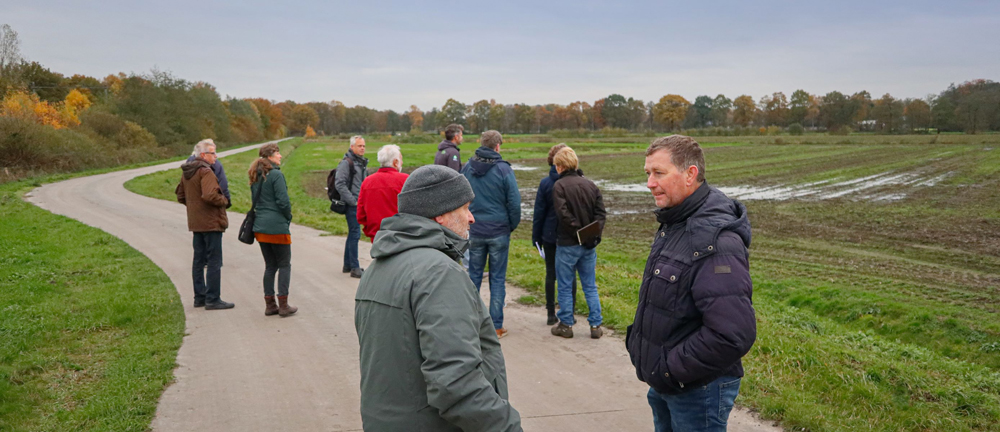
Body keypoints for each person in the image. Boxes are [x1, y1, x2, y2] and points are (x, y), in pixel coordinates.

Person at [355, 164, 522, 431]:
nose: (472, 218)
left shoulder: (377, 268)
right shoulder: (439, 274)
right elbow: (456, 384)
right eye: (465, 208)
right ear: (441, 214)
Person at [627, 135, 756, 432]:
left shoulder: (714, 239)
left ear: (690, 174)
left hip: (697, 390)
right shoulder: (676, 222)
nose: (649, 183)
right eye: (647, 173)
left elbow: (733, 333)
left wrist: (672, 369)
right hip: (666, 384)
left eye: (659, 173)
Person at [461, 130, 520, 339]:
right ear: (497, 146)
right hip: (498, 231)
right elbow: (514, 202)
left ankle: (471, 322)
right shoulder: (504, 170)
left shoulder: (467, 168)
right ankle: (496, 325)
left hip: (475, 229)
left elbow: (460, 198)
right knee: (497, 278)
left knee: (473, 276)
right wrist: (510, 226)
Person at [549, 147, 606, 339]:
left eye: (556, 165)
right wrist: (592, 234)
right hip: (588, 244)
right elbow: (600, 214)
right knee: (590, 285)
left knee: (565, 285)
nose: (555, 168)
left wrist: (577, 232)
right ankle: (596, 325)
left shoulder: (559, 186)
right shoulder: (590, 185)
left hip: (567, 243)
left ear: (561, 166)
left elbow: (563, 215)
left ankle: (566, 324)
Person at [175, 139, 234, 310]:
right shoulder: (206, 172)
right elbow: (210, 195)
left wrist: (194, 208)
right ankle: (213, 298)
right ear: (203, 155)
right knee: (214, 261)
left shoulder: (188, 171)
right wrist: (224, 200)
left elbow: (180, 195)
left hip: (196, 223)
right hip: (211, 222)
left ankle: (199, 297)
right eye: (213, 153)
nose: (216, 157)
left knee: (198, 260)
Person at [248, 143, 297, 317]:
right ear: (270, 156)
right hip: (277, 227)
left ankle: (270, 305)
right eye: (277, 153)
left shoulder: (256, 175)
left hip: (260, 227)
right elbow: (283, 202)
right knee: (284, 264)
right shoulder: (276, 175)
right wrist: (287, 217)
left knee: (270, 266)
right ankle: (283, 305)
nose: (280, 156)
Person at [532, 143, 577, 325]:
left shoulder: (545, 183)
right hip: (569, 235)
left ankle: (551, 313)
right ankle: (570, 312)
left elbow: (539, 213)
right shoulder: (575, 181)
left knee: (551, 274)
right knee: (570, 275)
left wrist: (536, 237)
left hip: (549, 234)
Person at [357, 144, 408, 242]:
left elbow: (361, 215)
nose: (402, 162)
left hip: (377, 237)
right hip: (402, 236)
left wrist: (370, 231)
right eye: (401, 159)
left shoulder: (367, 182)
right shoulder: (405, 180)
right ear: (395, 162)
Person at [334, 135, 369, 278]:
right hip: (352, 204)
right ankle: (354, 267)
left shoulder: (361, 162)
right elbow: (339, 184)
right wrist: (353, 201)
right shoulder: (347, 163)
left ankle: (348, 265)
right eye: (359, 146)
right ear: (352, 147)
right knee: (355, 233)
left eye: (363, 146)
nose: (362, 148)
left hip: (358, 203)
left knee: (353, 233)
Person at [186, 138, 231, 208]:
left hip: (193, 210)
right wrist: (226, 201)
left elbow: (181, 193)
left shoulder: (188, 165)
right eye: (213, 153)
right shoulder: (214, 166)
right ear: (203, 154)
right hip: (211, 210)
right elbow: (223, 186)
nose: (215, 156)